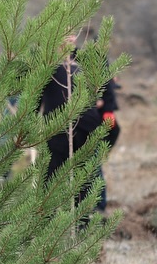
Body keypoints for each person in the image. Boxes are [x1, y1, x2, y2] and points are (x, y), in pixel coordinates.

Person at [40, 37, 119, 215]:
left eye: (71, 33)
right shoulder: (46, 60)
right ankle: (45, 219)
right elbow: (34, 94)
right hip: (55, 129)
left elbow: (105, 83)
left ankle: (93, 214)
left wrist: (108, 109)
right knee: (51, 176)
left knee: (90, 172)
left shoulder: (85, 58)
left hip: (87, 126)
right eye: (63, 33)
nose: (68, 37)